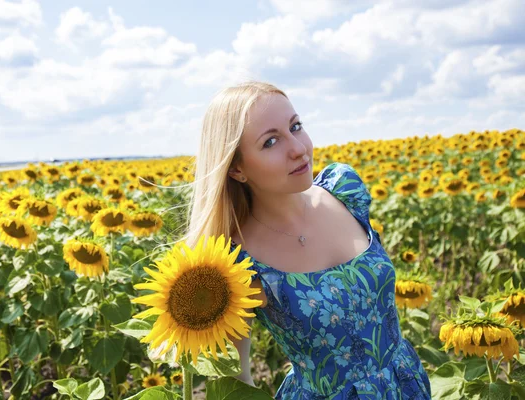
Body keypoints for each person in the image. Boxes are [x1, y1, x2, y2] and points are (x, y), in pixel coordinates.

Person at [185, 81, 432, 399]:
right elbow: (237, 379)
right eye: (271, 141)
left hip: (405, 384)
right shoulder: (235, 261)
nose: (298, 148)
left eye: (295, 126)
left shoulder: (345, 190)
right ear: (236, 169)